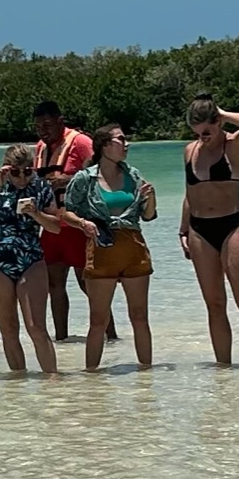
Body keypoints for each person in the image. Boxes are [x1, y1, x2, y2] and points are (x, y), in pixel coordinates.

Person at [179, 96, 239, 368]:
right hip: (199, 229)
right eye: (196, 132)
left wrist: (220, 111)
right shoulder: (190, 150)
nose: (202, 137)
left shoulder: (235, 145)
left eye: (207, 131)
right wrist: (183, 229)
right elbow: (190, 191)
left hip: (232, 225)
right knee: (214, 303)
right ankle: (224, 371)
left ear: (219, 122)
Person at [61, 124, 159, 370]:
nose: (127, 144)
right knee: (98, 320)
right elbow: (67, 212)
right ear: (105, 146)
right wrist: (83, 223)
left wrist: (151, 198)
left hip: (133, 247)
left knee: (139, 318)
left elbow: (148, 215)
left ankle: (147, 377)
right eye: (121, 140)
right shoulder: (85, 178)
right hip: (101, 249)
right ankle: (91, 377)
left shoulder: (134, 175)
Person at [0, 144, 60, 377]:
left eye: (27, 171)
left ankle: (53, 383)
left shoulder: (40, 185)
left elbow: (56, 227)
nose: (22, 177)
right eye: (16, 172)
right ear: (6, 169)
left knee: (36, 327)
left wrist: (36, 213)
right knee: (8, 329)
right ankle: (18, 387)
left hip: (31, 259)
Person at [32, 99, 116, 343]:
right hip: (52, 226)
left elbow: (104, 172)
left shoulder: (80, 142)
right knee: (54, 285)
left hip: (80, 225)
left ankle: (109, 337)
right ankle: (61, 340)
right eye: (38, 127)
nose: (43, 131)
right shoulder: (40, 147)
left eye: (47, 125)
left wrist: (67, 181)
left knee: (88, 284)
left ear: (60, 121)